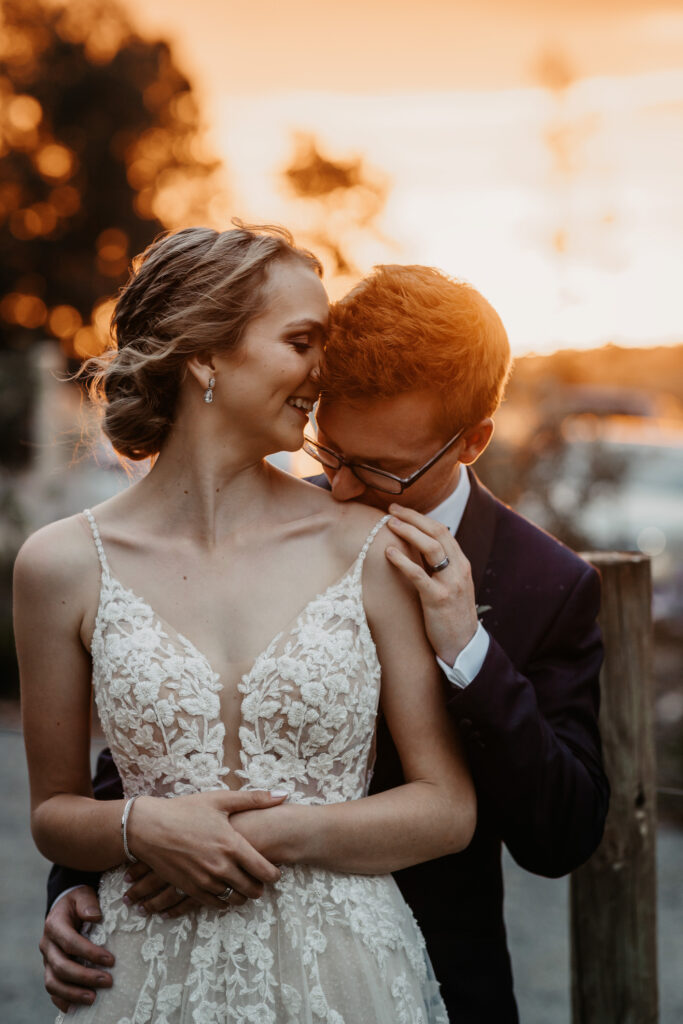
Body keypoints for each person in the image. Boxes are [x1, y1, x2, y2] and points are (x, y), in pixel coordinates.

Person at [39, 262, 609, 1024]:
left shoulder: (549, 583)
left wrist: (468, 650)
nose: (339, 490)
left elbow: (560, 834)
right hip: (175, 951)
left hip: (407, 969)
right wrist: (82, 877)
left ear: (470, 441)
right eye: (329, 454)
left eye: (378, 469)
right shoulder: (264, 526)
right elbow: (164, 725)